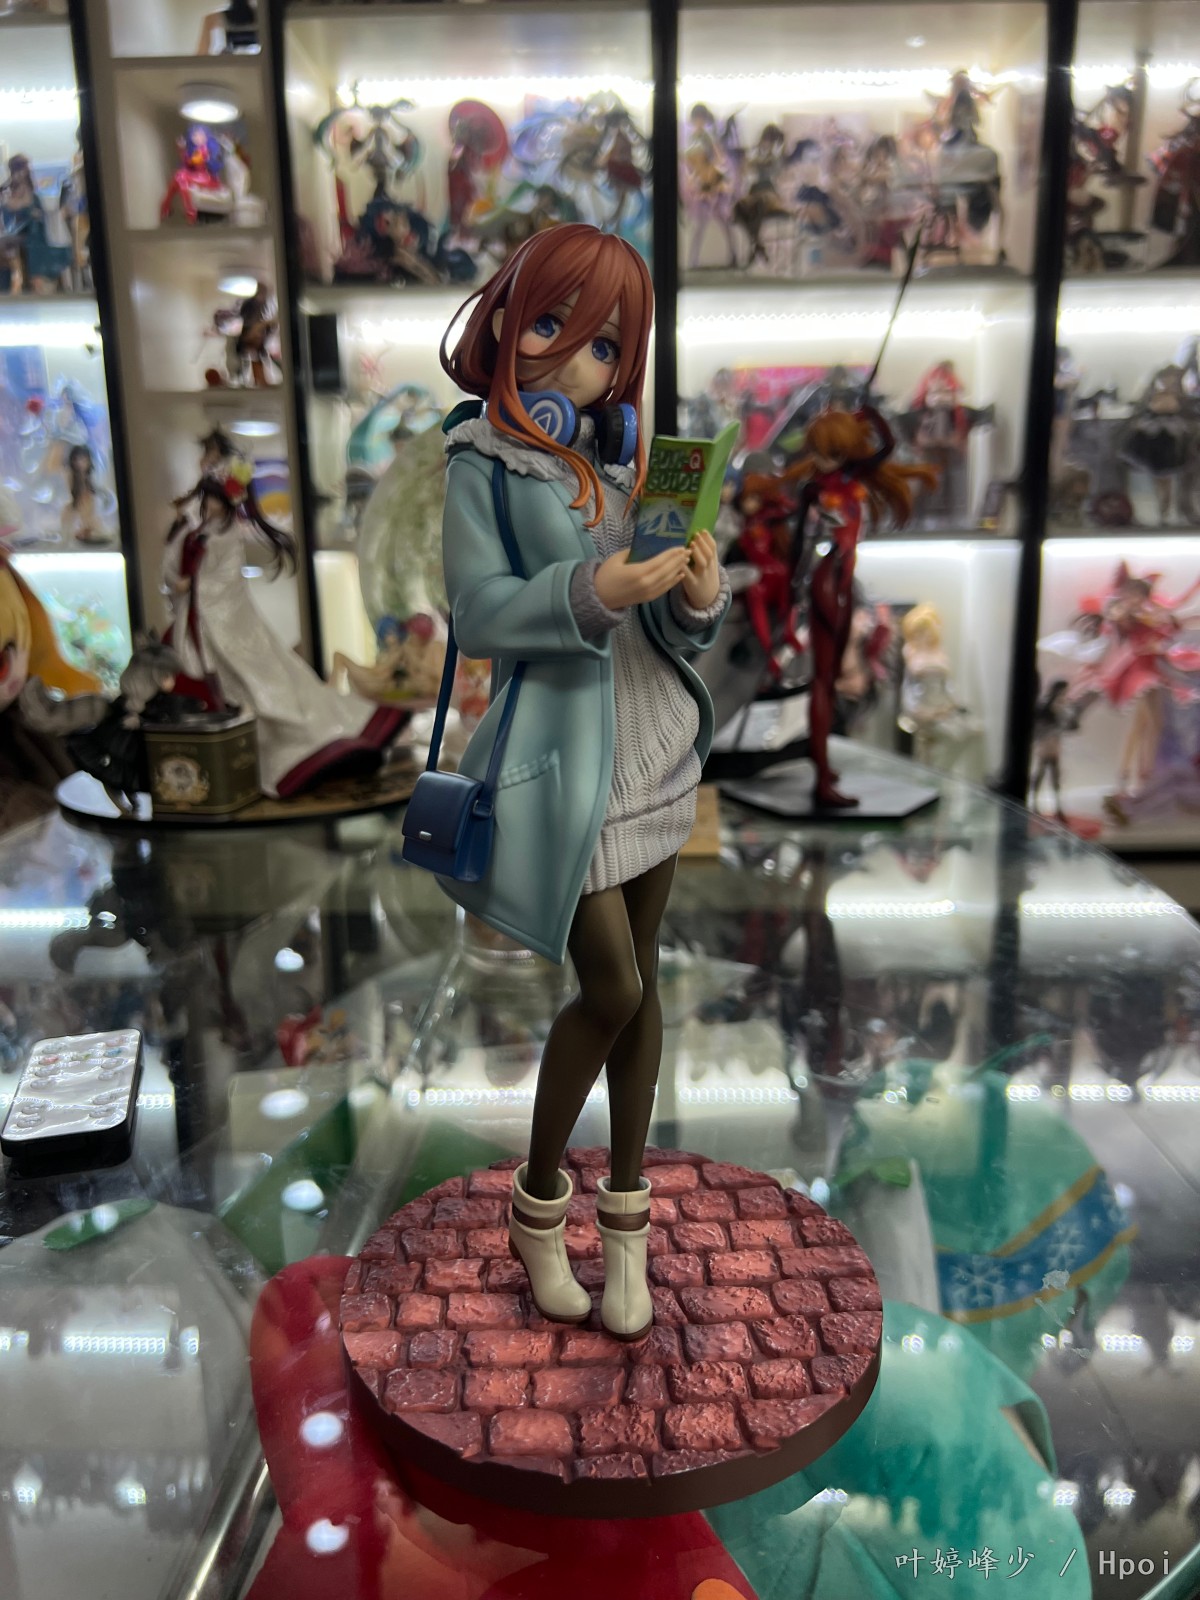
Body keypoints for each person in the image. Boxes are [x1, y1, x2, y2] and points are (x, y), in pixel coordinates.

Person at [437, 222, 730, 1339]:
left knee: (642, 989)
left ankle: (628, 1228)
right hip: (566, 765)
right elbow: (478, 613)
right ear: (505, 321)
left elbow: (666, 631)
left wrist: (690, 594)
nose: (573, 360)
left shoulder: (625, 469)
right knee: (609, 989)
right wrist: (591, 589)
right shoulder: (480, 461)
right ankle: (538, 1203)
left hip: (655, 742)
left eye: (604, 345)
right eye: (552, 325)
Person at [162, 460, 402, 797]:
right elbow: (173, 566)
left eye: (216, 499)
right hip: (195, 618)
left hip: (222, 617)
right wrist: (180, 584)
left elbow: (223, 580)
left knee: (260, 673)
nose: (210, 505)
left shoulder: (227, 536)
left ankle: (304, 738)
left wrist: (195, 588)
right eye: (208, 499)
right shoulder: (196, 530)